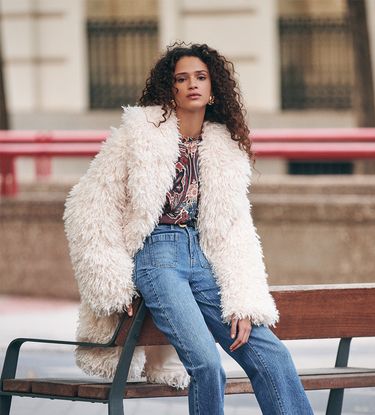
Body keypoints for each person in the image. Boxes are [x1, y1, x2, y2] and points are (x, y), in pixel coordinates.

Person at [63, 41, 314, 415]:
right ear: (171, 88)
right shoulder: (138, 135)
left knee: (270, 354)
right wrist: (113, 284)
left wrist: (243, 301)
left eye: (201, 77)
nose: (192, 84)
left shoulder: (225, 150)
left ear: (214, 90)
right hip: (156, 258)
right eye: (182, 79)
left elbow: (234, 230)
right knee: (206, 365)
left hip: (203, 257)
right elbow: (88, 206)